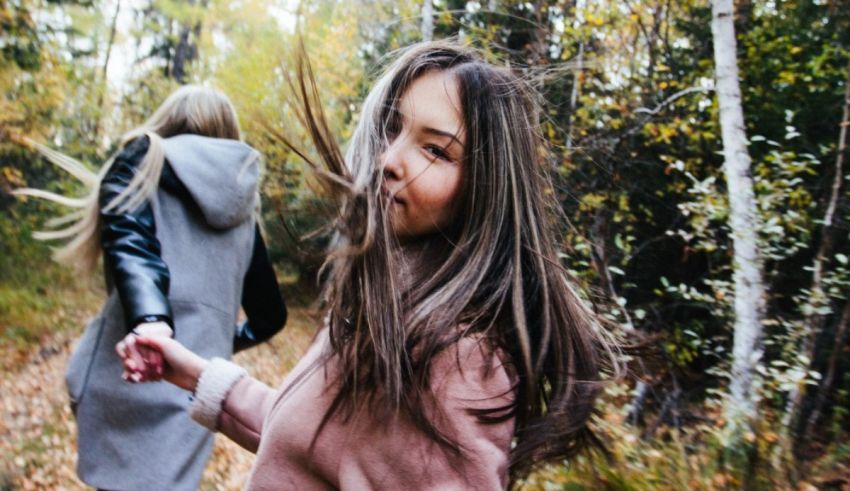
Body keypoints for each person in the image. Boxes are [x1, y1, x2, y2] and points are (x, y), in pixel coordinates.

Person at [121, 41, 616, 489]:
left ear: (482, 190)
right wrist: (193, 374)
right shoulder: (388, 306)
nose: (390, 158)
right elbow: (320, 441)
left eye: (435, 150)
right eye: (393, 128)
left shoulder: (460, 358)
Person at [18, 85, 287, 490]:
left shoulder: (144, 158)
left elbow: (132, 245)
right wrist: (214, 344)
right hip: (193, 395)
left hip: (126, 374)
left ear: (170, 117)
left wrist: (150, 322)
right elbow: (270, 317)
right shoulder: (244, 208)